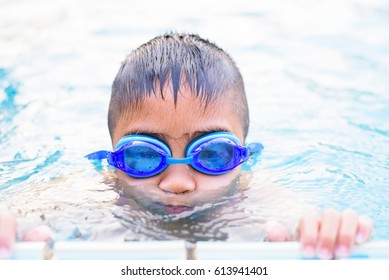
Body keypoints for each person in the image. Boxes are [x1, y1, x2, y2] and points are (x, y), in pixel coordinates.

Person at [0, 33, 372, 260]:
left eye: (212, 154)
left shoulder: (257, 197)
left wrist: (326, 231)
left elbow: (307, 223)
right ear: (113, 160)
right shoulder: (93, 193)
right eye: (144, 155)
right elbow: (16, 212)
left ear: (244, 159)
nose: (178, 182)